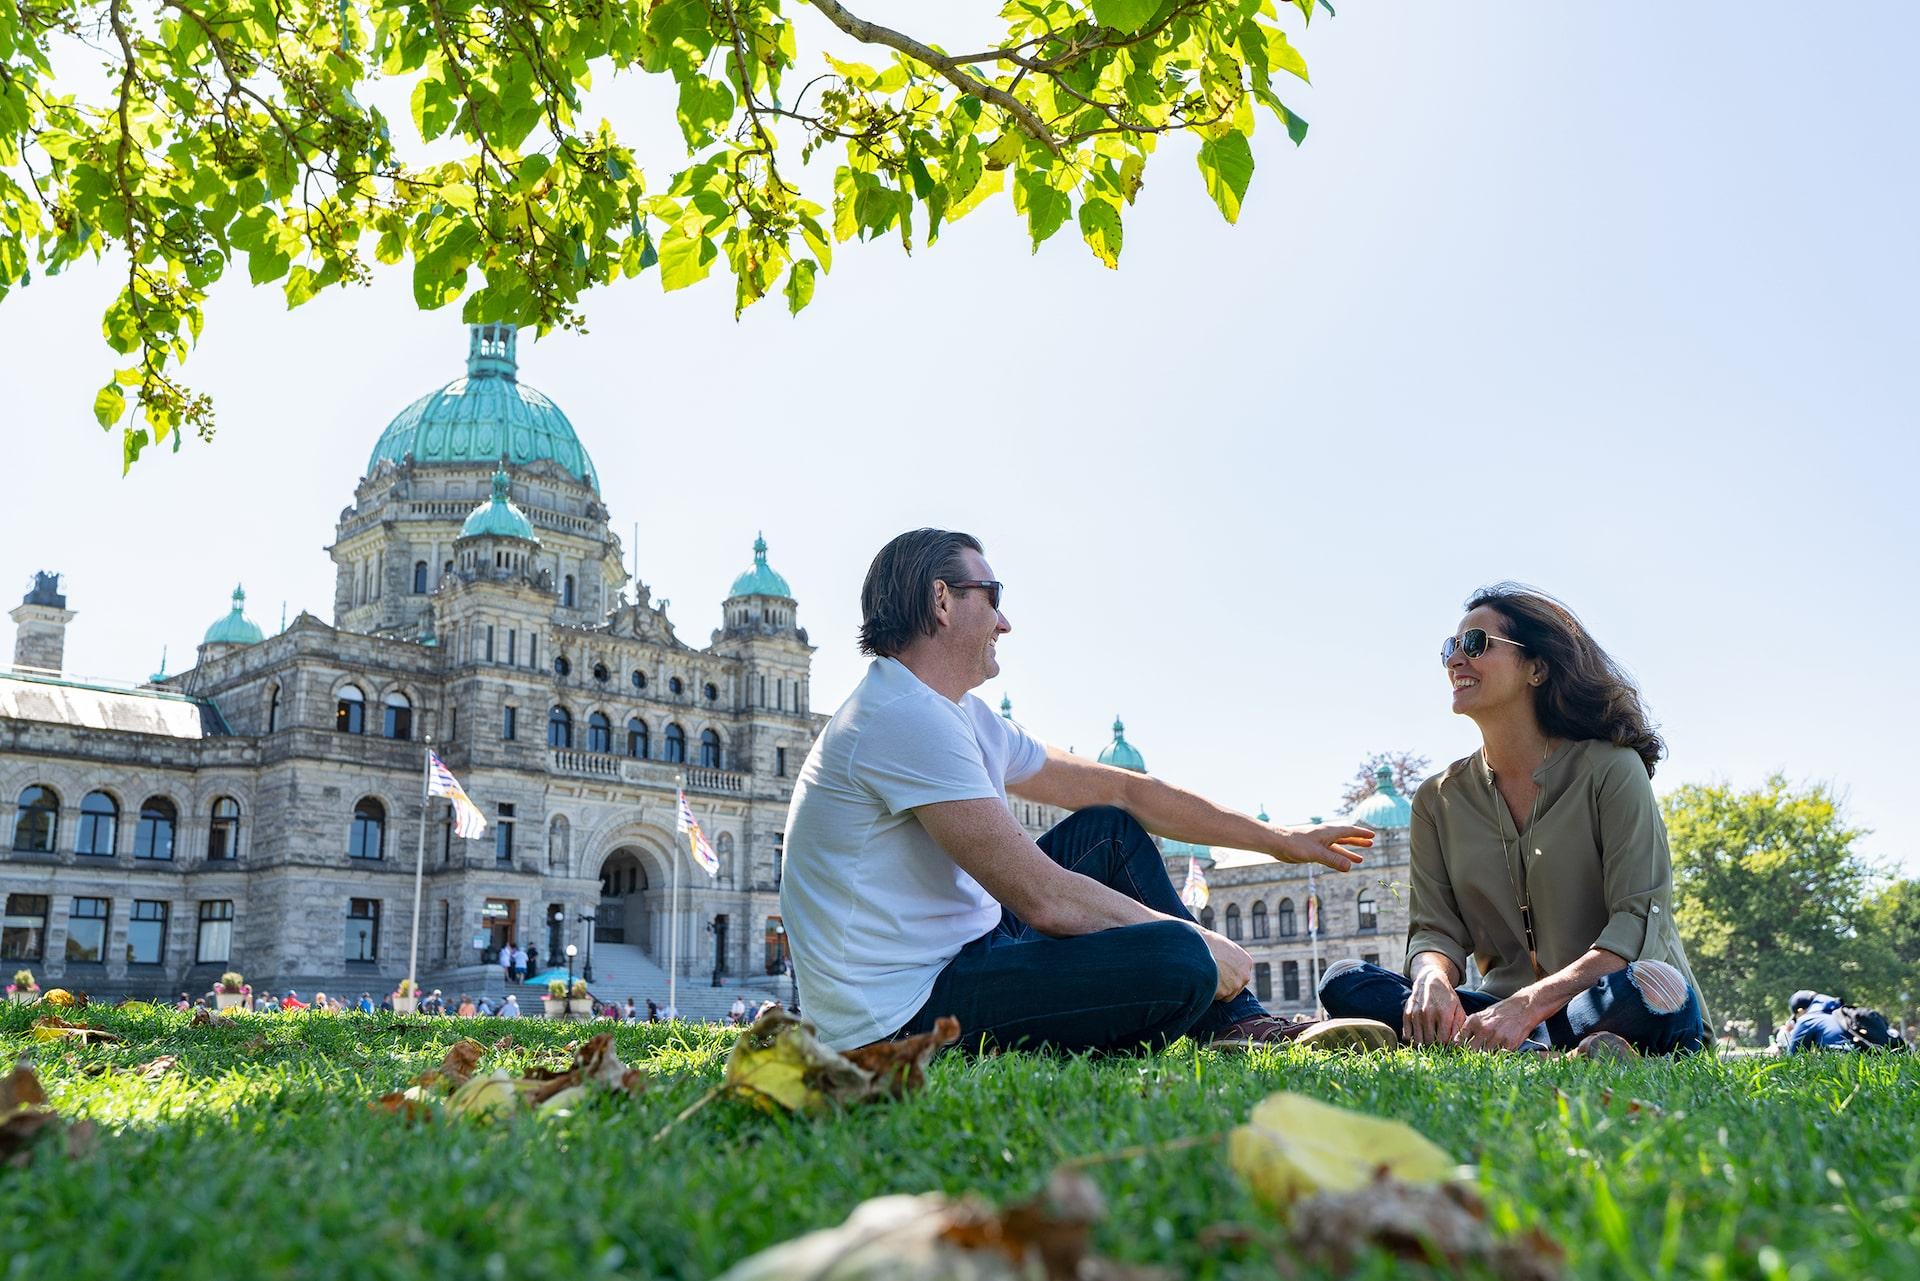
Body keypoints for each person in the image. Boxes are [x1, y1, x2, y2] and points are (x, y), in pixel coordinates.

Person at [782, 528, 1388, 1056]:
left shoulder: (956, 714)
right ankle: (1224, 1005)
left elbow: (1125, 793)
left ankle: (1238, 1022)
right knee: (1174, 961)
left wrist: (1276, 839)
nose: (1005, 621)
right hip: (897, 1015)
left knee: (1108, 830)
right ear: (942, 600)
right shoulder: (903, 715)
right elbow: (1045, 899)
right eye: (993, 597)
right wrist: (1198, 943)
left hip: (956, 956)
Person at [1319, 585, 1708, 1056]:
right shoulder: (1436, 799)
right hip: (1493, 1012)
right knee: (1345, 980)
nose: (1455, 660)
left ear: (1537, 668)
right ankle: (1559, 1051)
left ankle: (1528, 1046)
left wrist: (1527, 1006)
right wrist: (1432, 977)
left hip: (1606, 997)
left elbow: (1635, 926)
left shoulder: (1611, 769)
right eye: (1450, 647)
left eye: (1476, 644)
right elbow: (1434, 930)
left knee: (1655, 989)